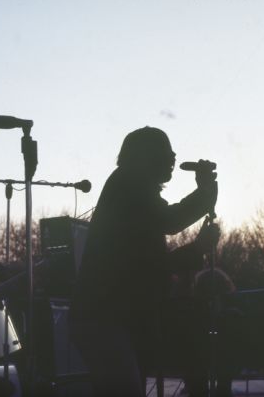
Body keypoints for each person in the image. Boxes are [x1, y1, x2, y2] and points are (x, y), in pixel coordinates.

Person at [69, 126, 218, 397]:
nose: (173, 158)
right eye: (165, 152)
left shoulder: (131, 188)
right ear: (144, 157)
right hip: (105, 319)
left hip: (110, 317)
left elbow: (152, 265)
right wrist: (205, 194)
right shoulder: (129, 183)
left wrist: (198, 249)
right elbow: (171, 221)